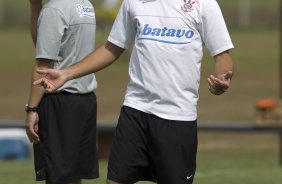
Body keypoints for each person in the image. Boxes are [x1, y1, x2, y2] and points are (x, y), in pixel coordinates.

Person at [35, 0, 234, 183]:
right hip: (135, 111)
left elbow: (222, 55)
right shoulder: (133, 2)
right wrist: (67, 74)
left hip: (177, 117)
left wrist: (221, 79)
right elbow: (111, 48)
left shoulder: (203, 4)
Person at [25, 0, 99, 183]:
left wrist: (31, 109)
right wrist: (35, 7)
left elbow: (43, 66)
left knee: (57, 176)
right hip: (84, 100)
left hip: (60, 102)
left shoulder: (54, 10)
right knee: (73, 176)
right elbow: (44, 44)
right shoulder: (84, 5)